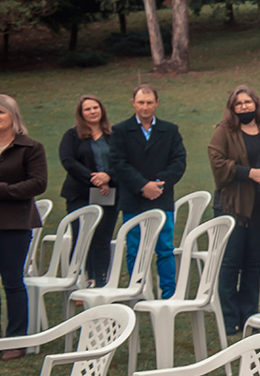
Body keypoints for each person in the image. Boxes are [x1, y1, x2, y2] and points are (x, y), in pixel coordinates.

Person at [109, 84, 187, 298]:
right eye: (141, 102)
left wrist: (159, 183)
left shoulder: (170, 130)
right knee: (135, 249)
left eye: (149, 102)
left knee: (164, 249)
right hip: (134, 199)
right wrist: (142, 185)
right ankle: (137, 292)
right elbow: (118, 162)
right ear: (133, 103)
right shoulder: (121, 130)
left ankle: (168, 294)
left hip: (161, 198)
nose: (145, 107)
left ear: (157, 103)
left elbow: (179, 161)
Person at [208, 85, 260, 335]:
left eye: (248, 102)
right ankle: (229, 318)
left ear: (255, 104)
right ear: (232, 108)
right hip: (232, 205)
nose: (244, 107)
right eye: (239, 103)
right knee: (231, 262)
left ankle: (250, 315)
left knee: (252, 263)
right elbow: (217, 160)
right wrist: (251, 173)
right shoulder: (224, 131)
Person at [0, 94, 47, 358]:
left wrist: (3, 190)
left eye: (1, 113)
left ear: (13, 117)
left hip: (15, 223)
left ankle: (15, 341)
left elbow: (38, 183)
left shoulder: (31, 148)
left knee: (12, 281)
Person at [59, 95, 119, 286]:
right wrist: (94, 178)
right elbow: (68, 161)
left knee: (102, 239)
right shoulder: (72, 135)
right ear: (81, 113)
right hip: (80, 194)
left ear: (101, 110)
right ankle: (78, 281)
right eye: (88, 109)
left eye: (95, 108)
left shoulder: (114, 136)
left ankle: (101, 281)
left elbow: (123, 160)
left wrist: (108, 176)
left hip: (108, 194)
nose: (93, 112)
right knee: (82, 239)